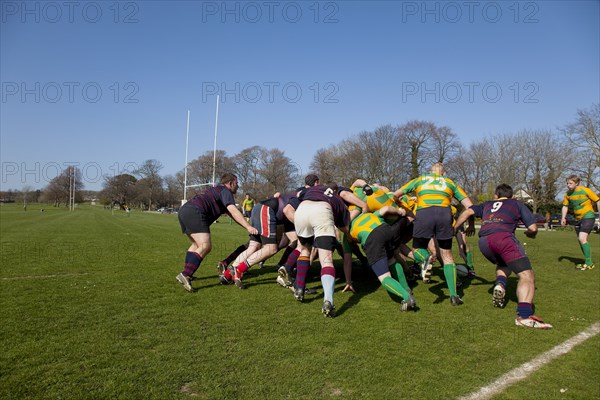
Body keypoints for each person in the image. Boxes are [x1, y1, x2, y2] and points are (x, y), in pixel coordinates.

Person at [455, 183, 553, 329]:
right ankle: (524, 316)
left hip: (484, 243)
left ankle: (500, 284)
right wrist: (530, 234)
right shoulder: (516, 203)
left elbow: (468, 211)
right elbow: (533, 228)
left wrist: (455, 228)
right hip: (503, 239)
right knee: (527, 275)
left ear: (496, 196)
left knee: (503, 264)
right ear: (512, 196)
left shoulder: (487, 204)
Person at [393, 162, 473, 306]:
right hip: (444, 214)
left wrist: (400, 205)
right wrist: (472, 224)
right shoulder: (450, 182)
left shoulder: (420, 179)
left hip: (425, 213)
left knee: (418, 249)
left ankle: (425, 260)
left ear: (430, 172)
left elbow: (396, 194)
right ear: (443, 173)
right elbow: (470, 206)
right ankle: (454, 295)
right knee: (447, 255)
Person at [175, 173, 258, 292]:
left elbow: (233, 215)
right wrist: (249, 227)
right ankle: (185, 274)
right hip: (196, 211)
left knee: (196, 245)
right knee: (205, 246)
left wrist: (246, 226)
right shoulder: (225, 191)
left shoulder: (217, 191)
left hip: (185, 210)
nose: (238, 186)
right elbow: (234, 211)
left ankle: (187, 273)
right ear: (230, 183)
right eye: (236, 183)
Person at [292, 183, 355, 317]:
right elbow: (345, 228)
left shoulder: (312, 189)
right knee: (326, 259)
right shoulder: (337, 199)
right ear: (336, 191)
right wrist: (348, 236)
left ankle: (299, 288)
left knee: (304, 250)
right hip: (322, 211)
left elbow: (298, 195)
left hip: (301, 211)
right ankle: (328, 301)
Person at [220, 192, 300, 289]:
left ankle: (227, 275)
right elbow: (286, 208)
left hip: (259, 208)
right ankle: (239, 269)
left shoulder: (294, 197)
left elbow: (293, 239)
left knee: (254, 246)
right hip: (266, 210)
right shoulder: (300, 199)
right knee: (271, 248)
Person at [344, 205, 417, 311]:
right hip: (387, 231)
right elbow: (386, 209)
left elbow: (347, 261)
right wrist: (399, 212)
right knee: (391, 260)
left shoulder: (347, 232)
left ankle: (407, 297)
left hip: (373, 240)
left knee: (384, 277)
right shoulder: (368, 214)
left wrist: (348, 281)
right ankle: (406, 288)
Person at [561, 175, 600, 270]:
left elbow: (598, 201)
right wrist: (563, 217)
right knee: (580, 240)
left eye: (570, 183)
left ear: (576, 183)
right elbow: (565, 206)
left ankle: (589, 263)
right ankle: (588, 262)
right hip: (577, 219)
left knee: (582, 238)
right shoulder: (567, 194)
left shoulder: (586, 190)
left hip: (588, 216)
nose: (568, 185)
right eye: (567, 183)